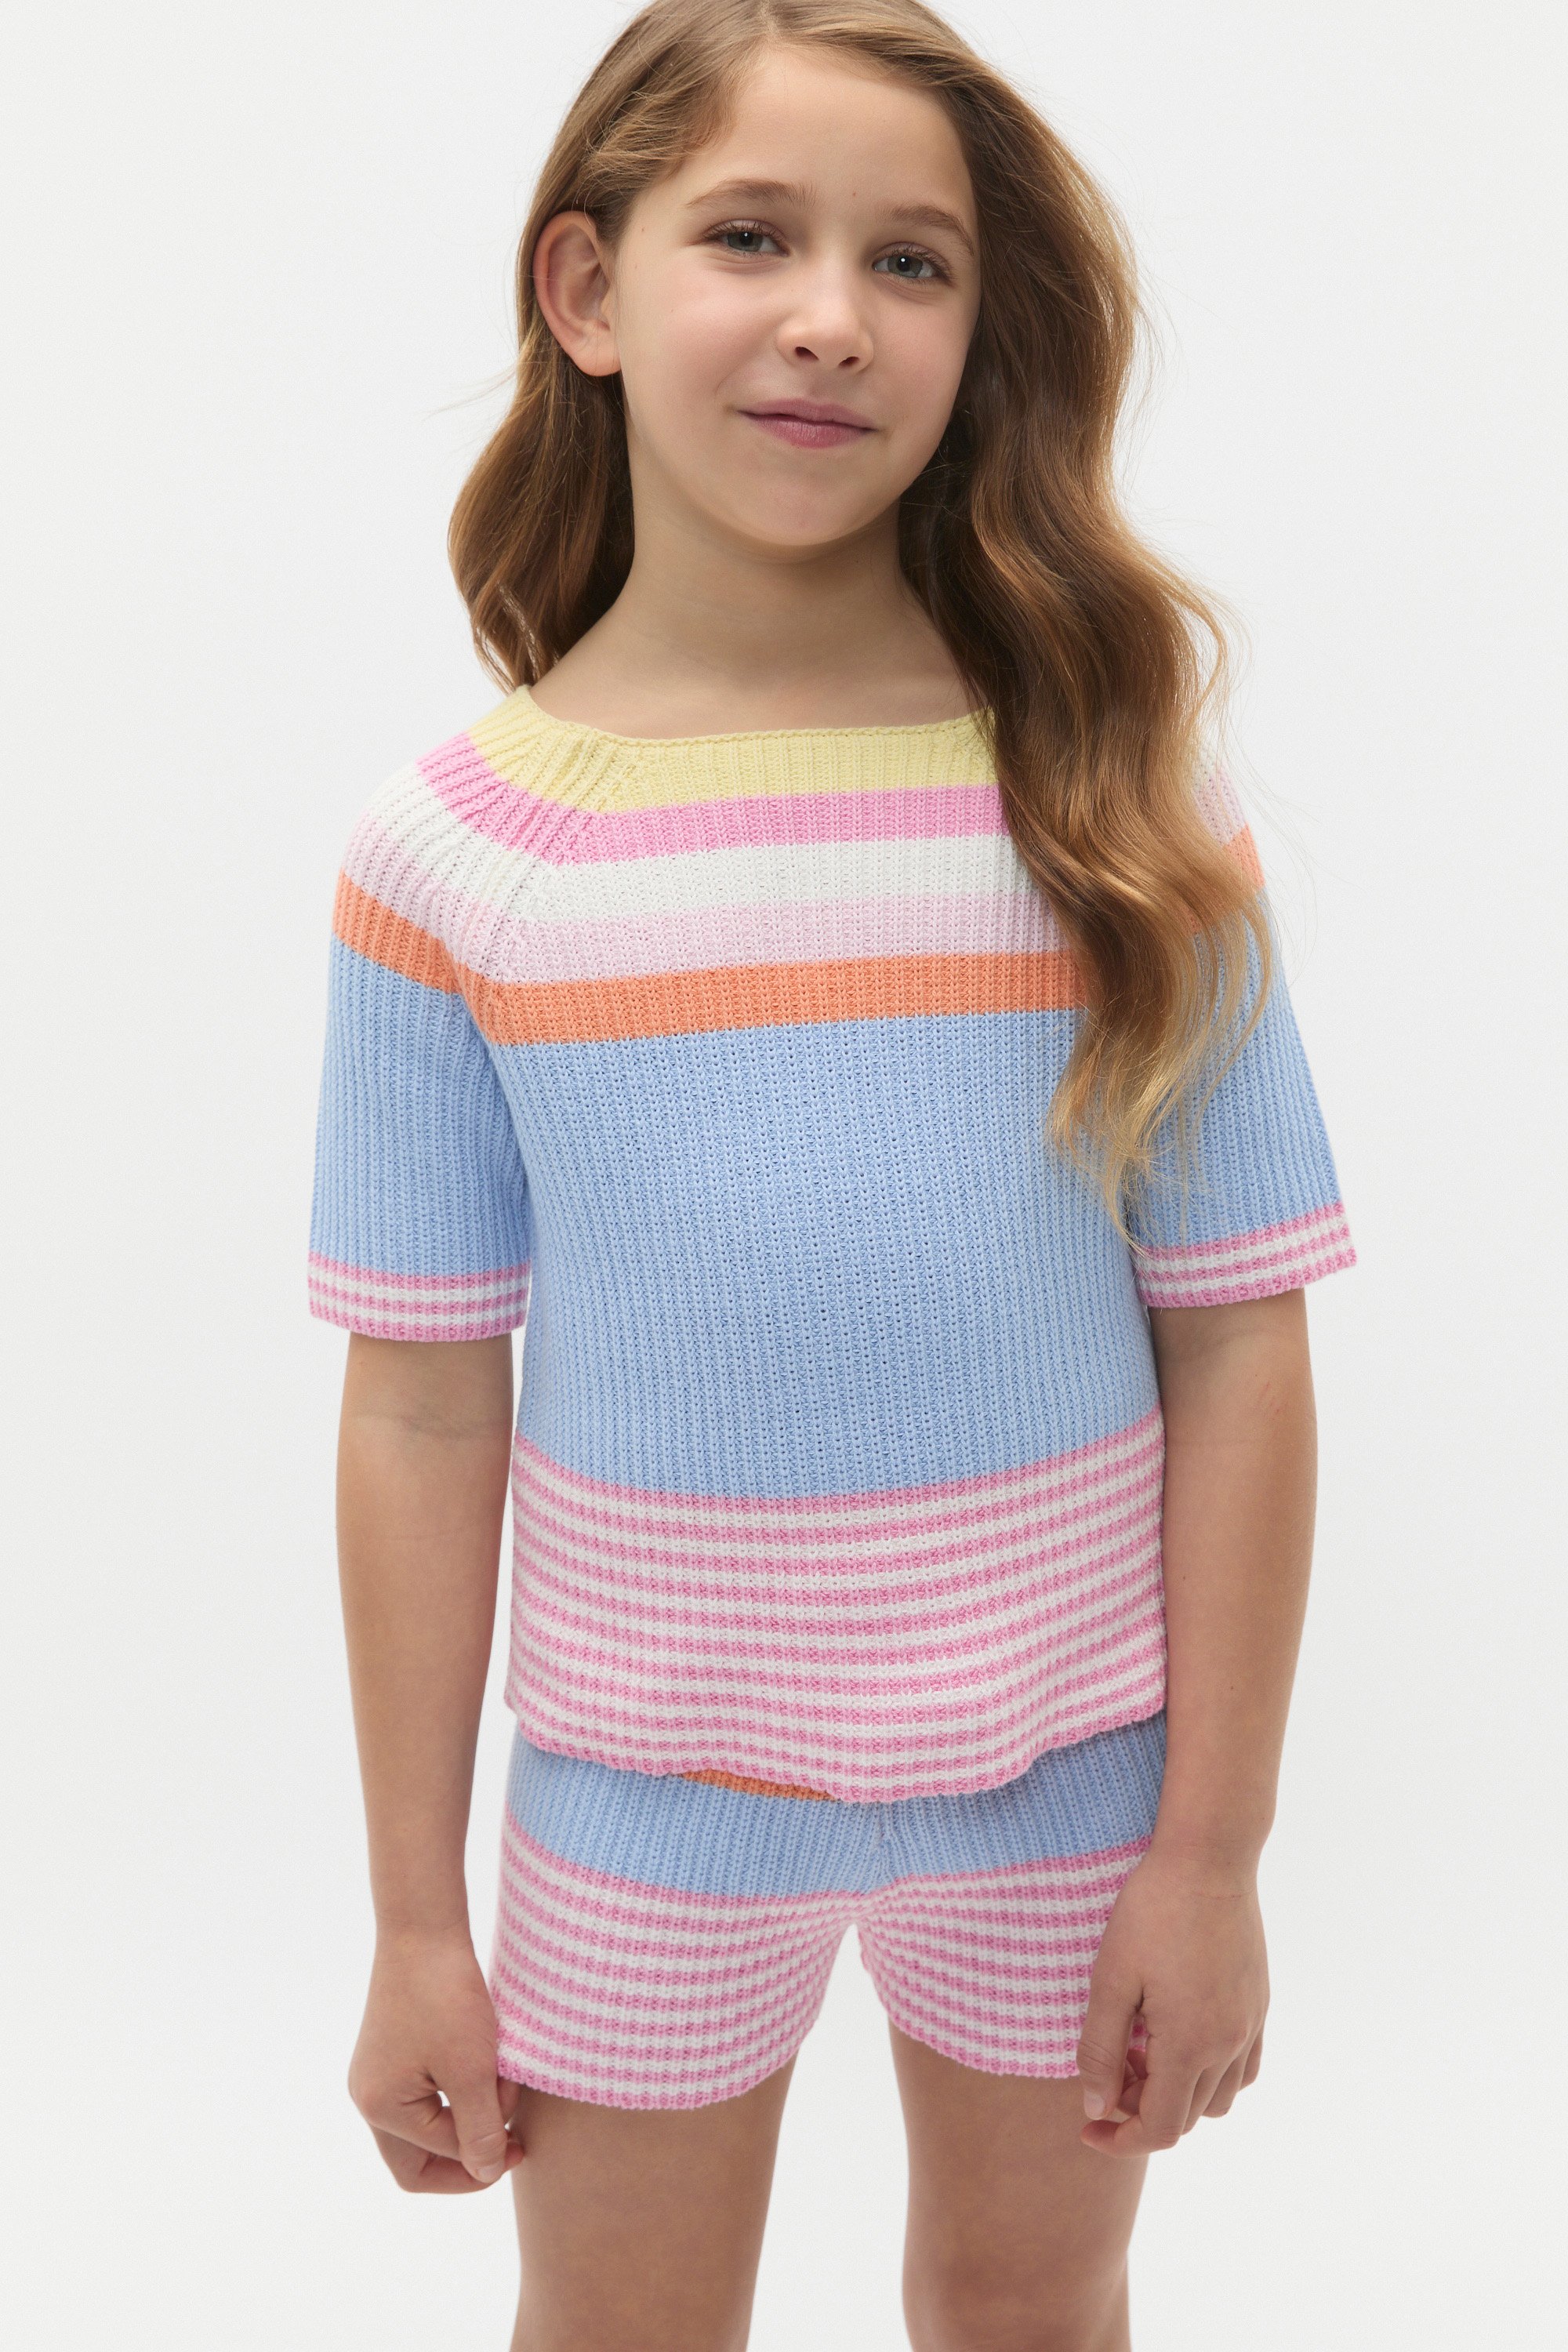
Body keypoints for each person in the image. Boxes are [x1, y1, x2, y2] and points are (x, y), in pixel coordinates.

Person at [306, 3, 1357, 2344]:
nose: (831, 318)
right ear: (587, 289)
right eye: (752, 237)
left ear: (979, 332)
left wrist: (1213, 1854)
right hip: (643, 1801)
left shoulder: (1119, 814)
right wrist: (412, 1919)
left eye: (912, 261)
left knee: (1036, 2311)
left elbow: (1241, 1346)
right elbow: (423, 1405)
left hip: (1073, 1782)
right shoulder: (455, 857)